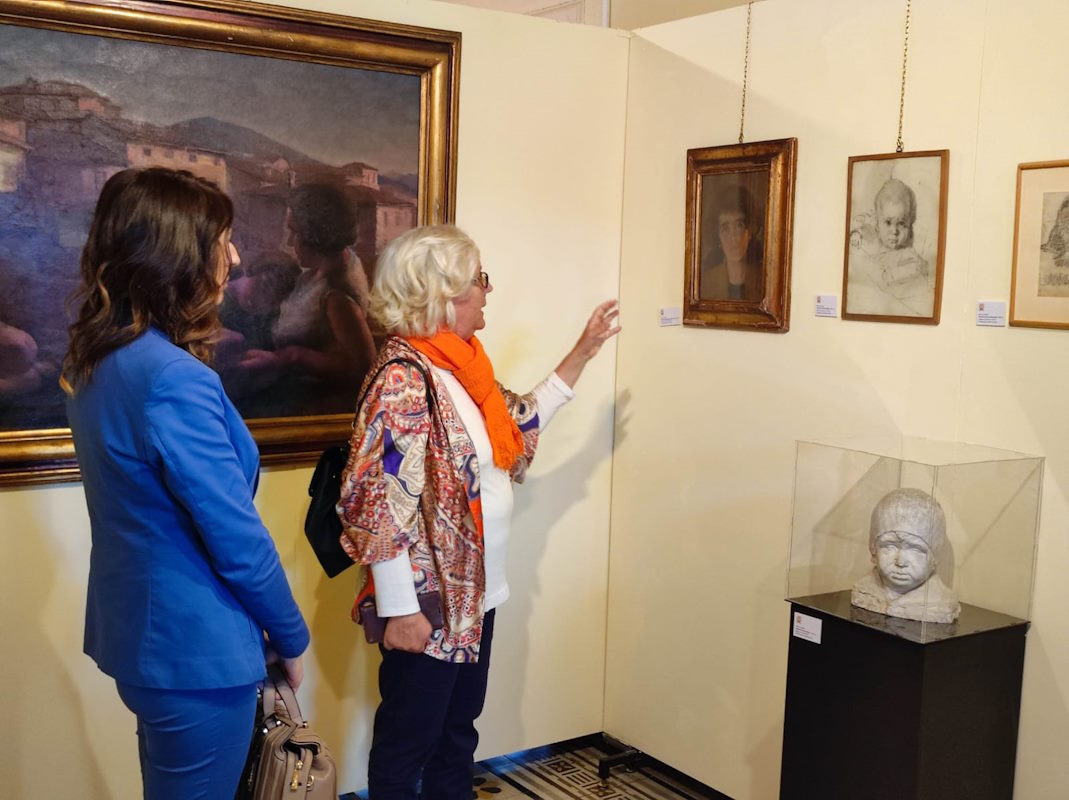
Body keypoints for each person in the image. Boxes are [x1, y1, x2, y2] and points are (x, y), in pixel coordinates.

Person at [336, 224, 620, 800]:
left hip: (475, 594)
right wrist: (400, 609)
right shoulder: (403, 378)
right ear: (441, 296)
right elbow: (375, 503)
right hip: (429, 603)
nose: (488, 290)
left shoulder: (463, 368)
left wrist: (583, 352)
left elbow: (517, 425)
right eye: (478, 279)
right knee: (408, 744)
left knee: (456, 736)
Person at [62, 167, 310, 799]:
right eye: (221, 242)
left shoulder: (101, 360)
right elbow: (237, 537)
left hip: (146, 640)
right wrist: (290, 634)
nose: (235, 257)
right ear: (177, 256)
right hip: (195, 651)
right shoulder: (172, 377)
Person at [265, 182, 378, 414]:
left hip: (315, 408)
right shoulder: (316, 275)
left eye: (295, 232)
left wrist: (295, 356)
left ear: (315, 234)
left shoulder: (337, 296)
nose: (289, 242)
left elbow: (363, 366)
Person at [850, 487, 960, 623]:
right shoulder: (864, 590)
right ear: (873, 550)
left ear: (934, 558)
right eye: (889, 546)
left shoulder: (940, 604)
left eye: (915, 549)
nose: (900, 562)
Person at [847, 178, 932, 316]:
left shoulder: (908, 256)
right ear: (877, 223)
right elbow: (858, 221)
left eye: (901, 223)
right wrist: (856, 233)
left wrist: (886, 275)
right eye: (888, 222)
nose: (894, 231)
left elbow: (915, 271)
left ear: (910, 225)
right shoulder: (872, 238)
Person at [699, 183, 764, 301]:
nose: (733, 238)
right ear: (717, 237)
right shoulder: (706, 283)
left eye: (739, 225)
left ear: (749, 232)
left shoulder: (764, 279)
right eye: (725, 228)